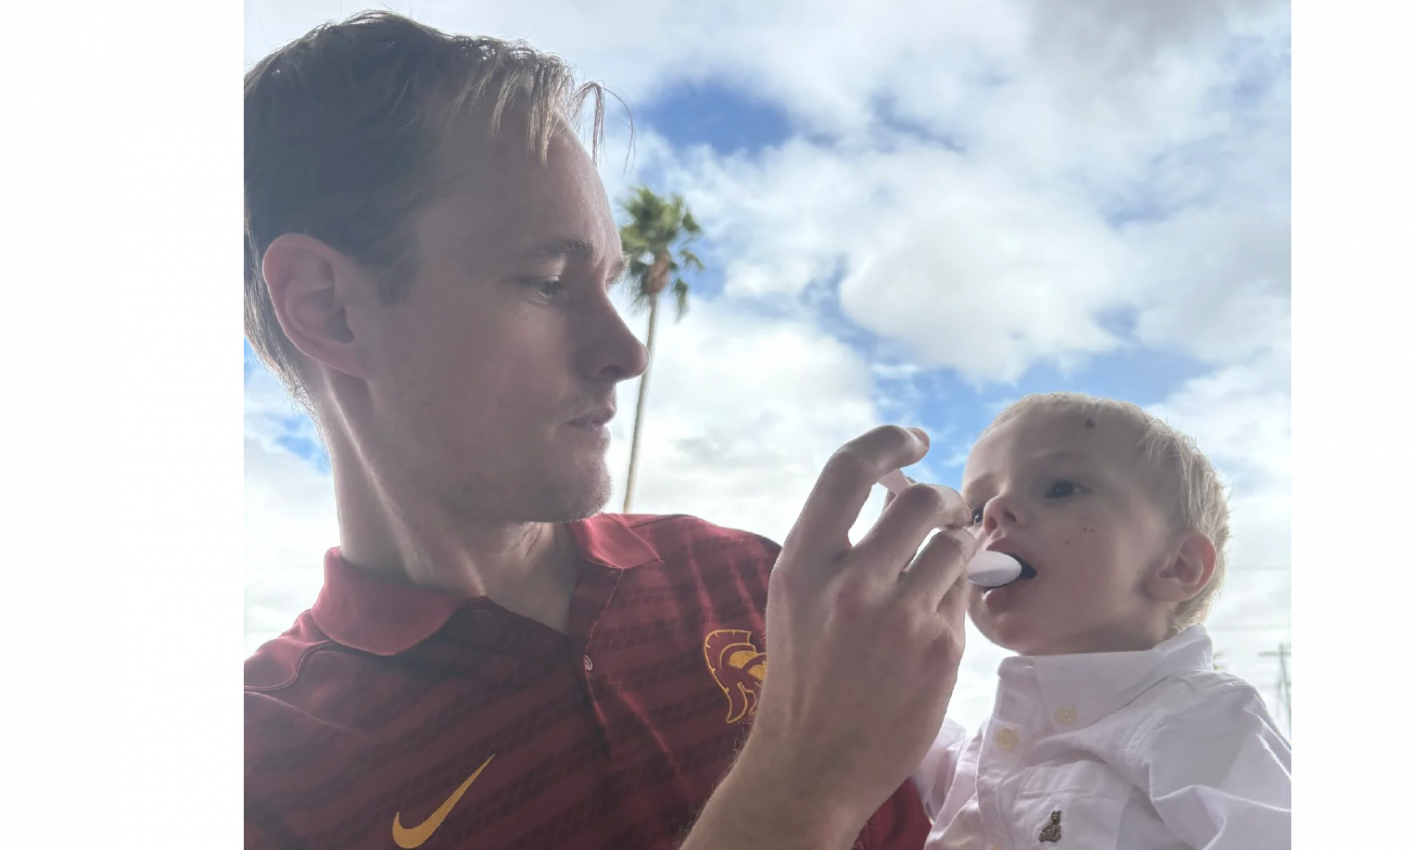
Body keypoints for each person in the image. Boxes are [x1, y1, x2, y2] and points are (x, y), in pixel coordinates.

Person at [243, 11, 978, 850]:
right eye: (548, 281)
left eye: (613, 283)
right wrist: (805, 782)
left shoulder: (754, 582)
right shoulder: (269, 777)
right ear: (328, 307)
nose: (628, 353)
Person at [911, 392, 1292, 849]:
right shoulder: (994, 745)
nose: (993, 514)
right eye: (975, 512)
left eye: (1060, 488)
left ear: (1178, 566)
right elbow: (909, 754)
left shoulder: (1204, 719)